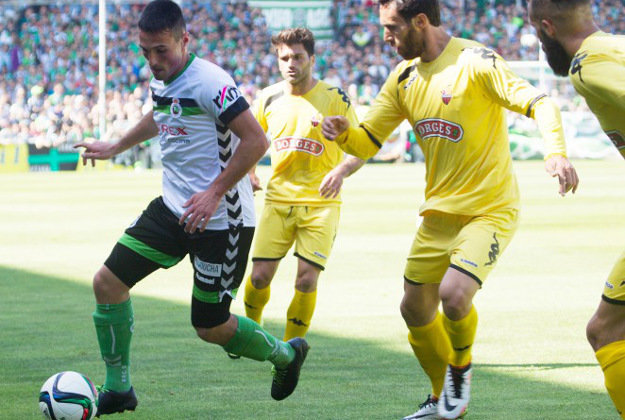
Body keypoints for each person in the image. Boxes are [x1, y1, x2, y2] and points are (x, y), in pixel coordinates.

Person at [321, 1, 579, 419]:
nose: (385, 38)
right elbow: (368, 141)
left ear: (420, 21)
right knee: (413, 309)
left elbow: (542, 103)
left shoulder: (476, 62)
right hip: (437, 216)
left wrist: (557, 154)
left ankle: (459, 371)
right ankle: (444, 400)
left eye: (391, 28)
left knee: (454, 297)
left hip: (489, 210)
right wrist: (345, 135)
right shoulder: (402, 78)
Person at [74, 0, 309, 415]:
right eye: (144, 52)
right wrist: (116, 144)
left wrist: (215, 191)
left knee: (210, 326)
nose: (152, 61)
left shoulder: (211, 81)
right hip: (172, 210)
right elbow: (162, 114)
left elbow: (256, 141)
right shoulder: (163, 78)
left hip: (223, 221)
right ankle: (118, 389)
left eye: (160, 50)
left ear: (184, 40)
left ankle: (286, 356)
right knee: (107, 283)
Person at [528, 1, 625, 418]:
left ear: (548, 27)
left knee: (606, 330)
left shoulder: (586, 65)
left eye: (536, 31)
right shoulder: (616, 45)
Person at [243, 28, 364, 342]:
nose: (290, 63)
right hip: (278, 201)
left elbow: (363, 148)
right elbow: (252, 140)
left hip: (322, 205)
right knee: (258, 277)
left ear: (312, 58)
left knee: (306, 281)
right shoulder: (268, 97)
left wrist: (340, 172)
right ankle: (251, 333)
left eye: (297, 56)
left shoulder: (335, 99)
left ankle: (288, 351)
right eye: (284, 58)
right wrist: (251, 173)